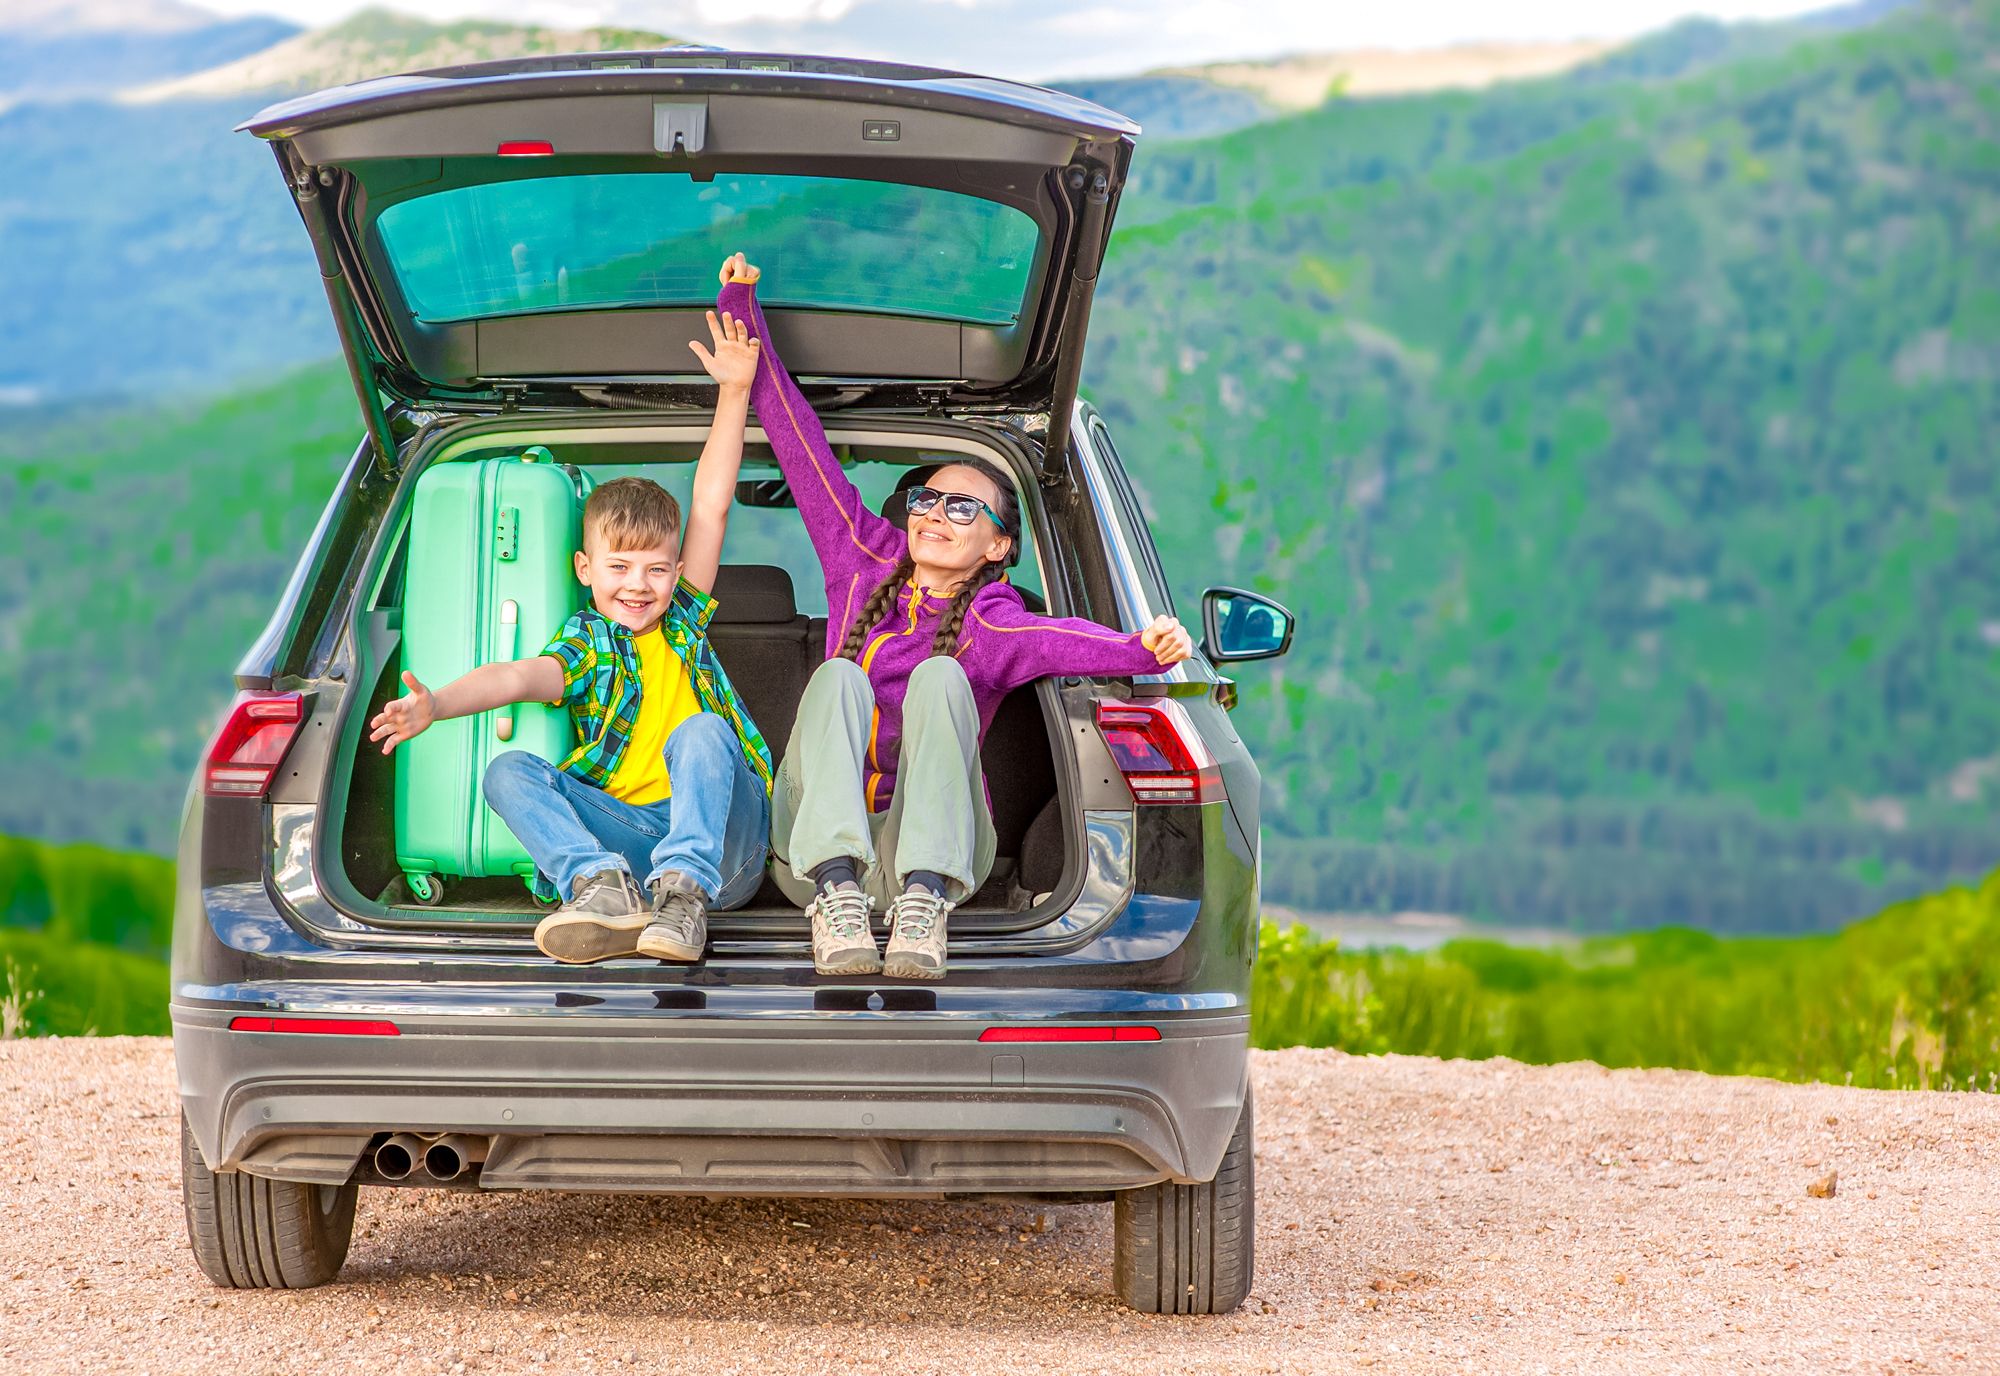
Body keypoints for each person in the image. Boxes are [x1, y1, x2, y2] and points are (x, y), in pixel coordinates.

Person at [715, 251, 1194, 980]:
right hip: (813, 871)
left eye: (962, 506)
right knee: (840, 679)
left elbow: (1066, 638)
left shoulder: (995, 622)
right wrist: (743, 314)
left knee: (944, 676)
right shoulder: (860, 557)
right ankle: (839, 897)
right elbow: (799, 443)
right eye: (927, 500)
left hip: (930, 866)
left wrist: (1143, 649)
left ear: (998, 545)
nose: (935, 513)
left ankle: (922, 905)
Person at [367, 295, 773, 965]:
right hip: (636, 839)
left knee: (702, 731)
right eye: (618, 567)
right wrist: (436, 704)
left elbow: (710, 501)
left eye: (655, 569)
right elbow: (518, 677)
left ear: (677, 574)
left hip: (726, 846)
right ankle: (599, 883)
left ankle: (685, 894)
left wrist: (735, 392)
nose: (637, 585)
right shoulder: (586, 642)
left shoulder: (684, 620)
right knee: (508, 772)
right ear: (585, 569)